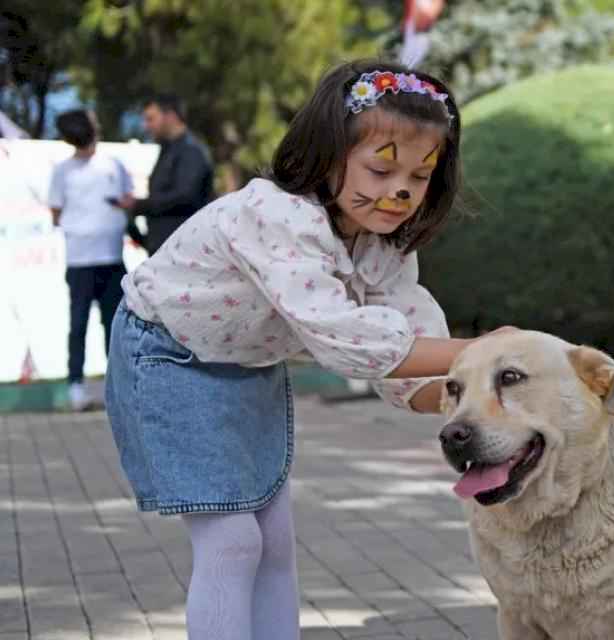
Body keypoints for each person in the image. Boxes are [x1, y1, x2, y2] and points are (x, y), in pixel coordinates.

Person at [104, 60, 488, 640]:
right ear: (328, 154)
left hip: (245, 367)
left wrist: (484, 399)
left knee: (274, 540)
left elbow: (408, 350)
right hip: (167, 357)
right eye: (381, 169)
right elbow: (346, 339)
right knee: (232, 542)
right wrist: (480, 353)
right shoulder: (277, 216)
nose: (400, 191)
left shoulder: (381, 245)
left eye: (420, 175)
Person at [47, 109, 133, 411]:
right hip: (80, 259)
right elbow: (55, 212)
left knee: (115, 325)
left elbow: (127, 201)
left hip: (111, 257)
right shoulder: (62, 171)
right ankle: (76, 387)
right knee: (79, 323)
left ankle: (118, 388)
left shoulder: (114, 165)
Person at [118, 93, 214, 255]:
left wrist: (138, 205)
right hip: (165, 250)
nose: (146, 126)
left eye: (151, 119)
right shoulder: (168, 150)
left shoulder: (190, 151)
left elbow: (185, 196)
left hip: (183, 252)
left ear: (170, 116)